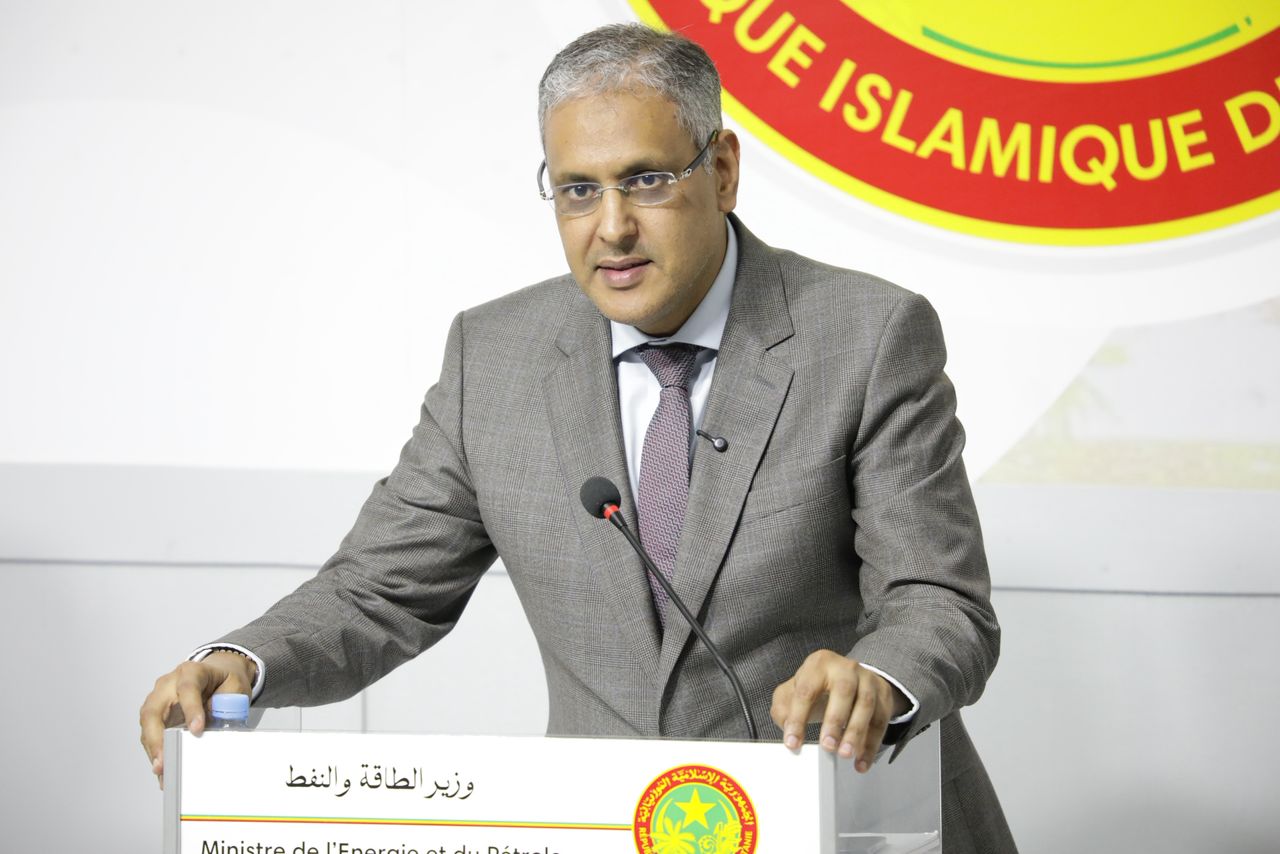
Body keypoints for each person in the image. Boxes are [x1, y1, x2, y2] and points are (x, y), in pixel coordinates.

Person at [139, 23, 1015, 852]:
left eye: (647, 180)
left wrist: (877, 681)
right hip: (605, 828)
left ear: (723, 171)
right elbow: (379, 590)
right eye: (578, 190)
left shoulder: (867, 335)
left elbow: (939, 602)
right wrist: (243, 660)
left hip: (844, 821)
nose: (612, 226)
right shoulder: (495, 357)